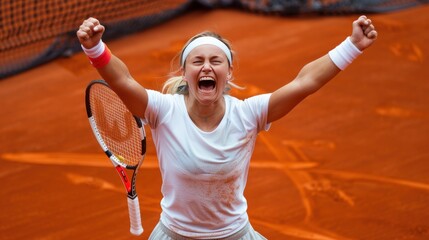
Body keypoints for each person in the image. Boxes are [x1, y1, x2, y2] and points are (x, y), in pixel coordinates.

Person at [77, 15, 377, 239]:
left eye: (215, 61)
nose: (206, 67)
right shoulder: (162, 110)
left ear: (228, 71)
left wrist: (352, 46)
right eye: (198, 61)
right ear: (185, 72)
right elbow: (122, 80)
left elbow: (304, 83)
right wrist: (95, 48)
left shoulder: (248, 114)